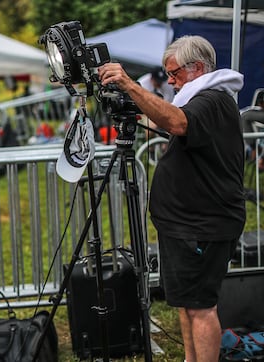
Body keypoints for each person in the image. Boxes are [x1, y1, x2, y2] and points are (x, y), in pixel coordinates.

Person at [98, 36, 245, 362]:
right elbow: (168, 119)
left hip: (203, 224)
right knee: (185, 303)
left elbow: (178, 122)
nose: (170, 80)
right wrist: (132, 102)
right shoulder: (201, 99)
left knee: (201, 308)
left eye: (174, 72)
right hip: (184, 224)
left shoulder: (213, 99)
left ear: (198, 68)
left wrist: (129, 84)